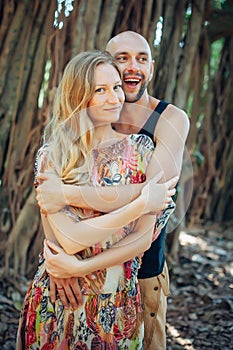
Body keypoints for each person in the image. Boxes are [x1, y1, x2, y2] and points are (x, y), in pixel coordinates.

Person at [37, 31, 190, 349]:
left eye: (142, 59)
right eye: (122, 59)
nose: (133, 66)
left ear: (151, 68)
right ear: (104, 65)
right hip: (71, 274)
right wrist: (58, 258)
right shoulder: (79, 130)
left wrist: (65, 195)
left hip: (138, 274)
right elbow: (47, 198)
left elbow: (154, 200)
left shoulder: (168, 121)